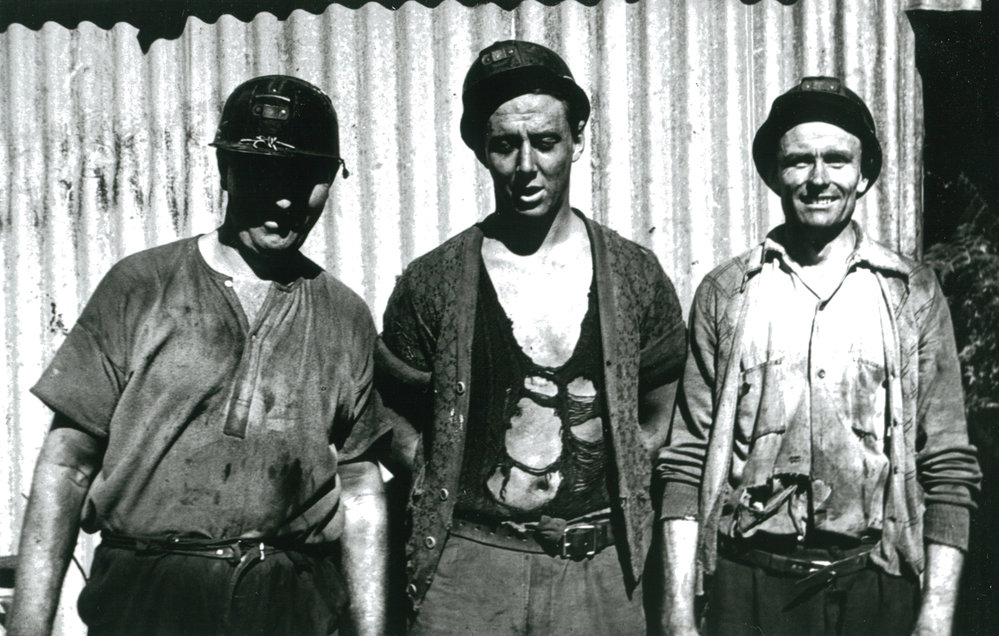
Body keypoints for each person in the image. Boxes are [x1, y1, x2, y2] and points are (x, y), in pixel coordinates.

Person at [8, 75, 388, 636]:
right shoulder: (140, 287)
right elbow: (67, 466)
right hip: (149, 597)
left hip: (293, 603)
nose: (284, 198)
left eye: (305, 178)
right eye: (263, 174)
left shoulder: (344, 315)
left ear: (329, 182)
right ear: (226, 172)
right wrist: (26, 629)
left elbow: (358, 488)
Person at [376, 40, 687, 635]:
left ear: (576, 139)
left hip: (599, 571)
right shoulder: (433, 281)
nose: (526, 167)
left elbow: (664, 399)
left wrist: (617, 467)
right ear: (479, 148)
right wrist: (448, 477)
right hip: (469, 572)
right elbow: (391, 411)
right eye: (504, 145)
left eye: (545, 142)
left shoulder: (633, 273)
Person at [657, 76, 981, 636]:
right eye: (798, 161)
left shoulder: (912, 294)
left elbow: (948, 467)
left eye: (837, 159)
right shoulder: (727, 292)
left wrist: (936, 615)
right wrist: (680, 609)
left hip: (873, 586)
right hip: (748, 587)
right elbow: (687, 461)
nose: (818, 179)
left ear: (865, 174)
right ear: (773, 173)